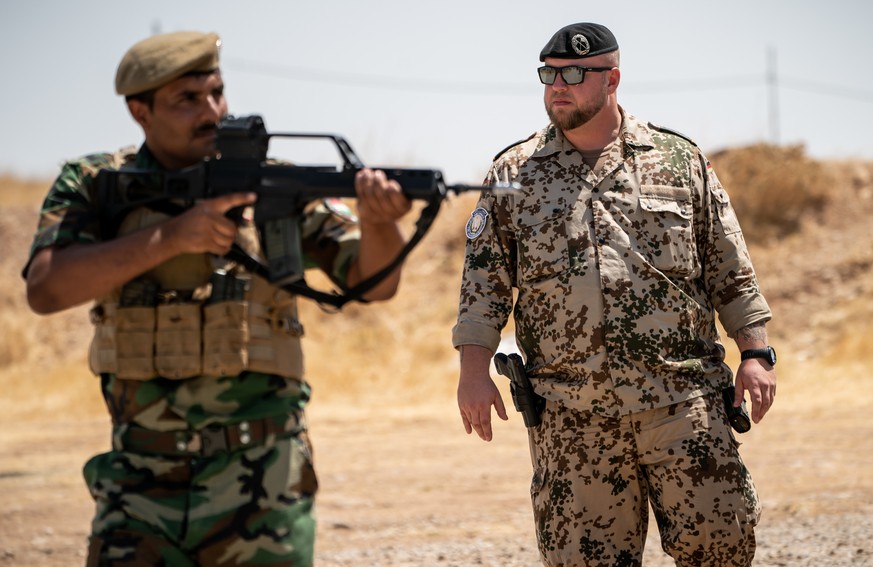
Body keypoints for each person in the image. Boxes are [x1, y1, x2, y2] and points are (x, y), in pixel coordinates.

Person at [23, 31, 412, 566]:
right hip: (139, 483)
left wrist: (379, 224)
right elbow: (45, 288)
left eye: (217, 93)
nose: (212, 111)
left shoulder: (274, 185)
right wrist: (170, 238)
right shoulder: (93, 183)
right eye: (187, 99)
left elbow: (375, 282)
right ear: (140, 111)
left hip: (263, 483)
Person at [453, 22, 777, 567]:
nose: (558, 86)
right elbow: (483, 284)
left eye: (574, 75)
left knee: (722, 548)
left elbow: (729, 267)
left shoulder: (678, 160)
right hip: (573, 417)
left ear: (613, 79)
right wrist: (472, 371)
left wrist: (755, 353)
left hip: (683, 403)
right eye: (549, 75)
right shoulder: (514, 174)